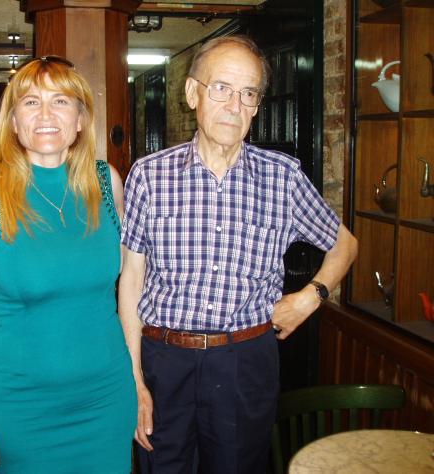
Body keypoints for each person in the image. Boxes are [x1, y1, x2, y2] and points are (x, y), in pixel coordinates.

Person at [119, 35, 358, 474]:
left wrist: (311, 297)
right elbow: (131, 281)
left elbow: (345, 244)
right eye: (221, 88)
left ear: (257, 106)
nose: (234, 105)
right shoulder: (149, 176)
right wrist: (133, 380)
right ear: (192, 93)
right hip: (164, 361)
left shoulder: (282, 178)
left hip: (244, 362)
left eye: (248, 93)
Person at [0, 56, 136, 473]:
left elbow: (129, 290)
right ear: (13, 122)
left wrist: (138, 381)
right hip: (22, 405)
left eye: (61, 101)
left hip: (107, 396)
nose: (46, 114)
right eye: (31, 102)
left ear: (80, 119)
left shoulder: (108, 183)